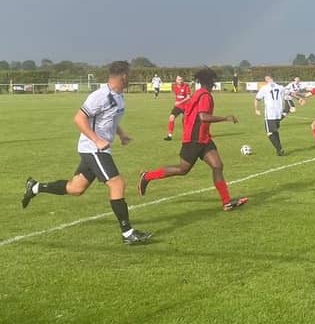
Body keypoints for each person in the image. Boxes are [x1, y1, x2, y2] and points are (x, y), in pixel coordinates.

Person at [21, 61, 152, 245]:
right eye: (129, 74)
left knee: (76, 188)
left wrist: (121, 134)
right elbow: (79, 118)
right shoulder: (99, 96)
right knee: (117, 183)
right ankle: (127, 233)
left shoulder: (119, 96)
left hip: (100, 149)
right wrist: (97, 140)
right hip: (93, 149)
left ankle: (35, 187)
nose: (130, 78)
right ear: (122, 75)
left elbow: (109, 119)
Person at [138, 67, 247, 211]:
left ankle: (226, 202)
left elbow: (184, 109)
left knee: (217, 166)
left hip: (204, 139)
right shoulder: (205, 96)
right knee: (183, 169)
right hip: (194, 139)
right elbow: (203, 117)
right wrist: (225, 118)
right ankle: (147, 176)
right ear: (211, 82)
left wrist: (180, 118)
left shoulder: (198, 94)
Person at [254, 75, 304, 156]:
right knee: (275, 131)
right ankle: (279, 149)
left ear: (267, 79)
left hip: (270, 114)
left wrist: (256, 109)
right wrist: (299, 98)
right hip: (278, 113)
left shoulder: (264, 88)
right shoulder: (280, 87)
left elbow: (257, 99)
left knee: (270, 133)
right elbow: (290, 93)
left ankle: (279, 149)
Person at [163, 75, 191, 141]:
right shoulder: (174, 87)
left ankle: (186, 135)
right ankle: (169, 136)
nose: (180, 81)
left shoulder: (186, 86)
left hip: (186, 106)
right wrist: (177, 102)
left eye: (181, 79)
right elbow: (177, 95)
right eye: (179, 79)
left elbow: (188, 97)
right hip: (178, 107)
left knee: (184, 121)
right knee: (171, 118)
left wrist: (179, 102)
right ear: (176, 80)